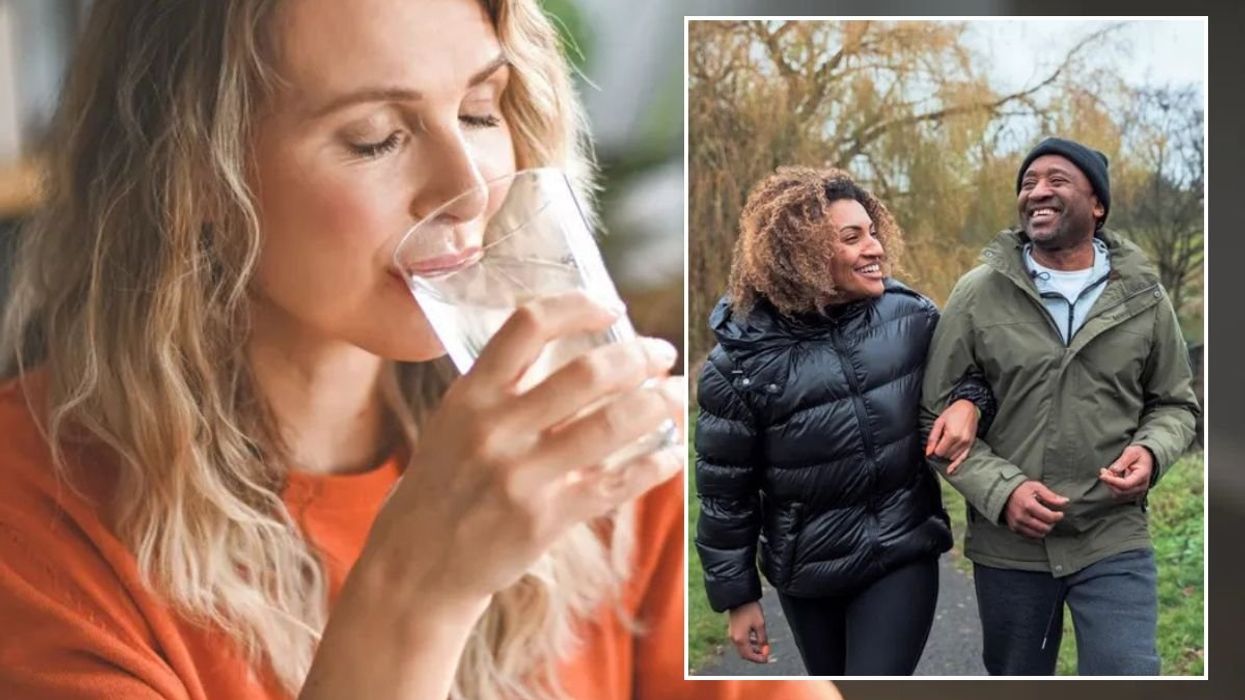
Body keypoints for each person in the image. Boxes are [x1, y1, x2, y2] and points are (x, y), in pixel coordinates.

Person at [0, 2, 838, 699]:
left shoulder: (592, 444)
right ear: (190, 176)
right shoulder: (31, 526)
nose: (463, 186)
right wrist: (418, 595)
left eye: (480, 110)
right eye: (374, 137)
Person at [694, 166, 997, 676]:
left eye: (873, 231)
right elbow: (726, 494)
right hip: (807, 573)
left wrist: (970, 399)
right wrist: (738, 597)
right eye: (851, 238)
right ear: (800, 253)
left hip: (901, 552)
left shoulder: (912, 318)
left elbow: (976, 370)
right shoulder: (739, 363)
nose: (875, 248)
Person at [920, 136, 1200, 676]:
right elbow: (933, 416)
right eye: (1028, 183)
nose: (1037, 192)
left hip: (1112, 535)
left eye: (1056, 180)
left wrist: (1151, 453)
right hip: (1011, 547)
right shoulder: (978, 293)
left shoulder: (1144, 295)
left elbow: (1175, 405)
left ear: (1098, 205)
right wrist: (1002, 492)